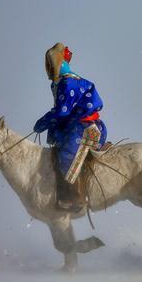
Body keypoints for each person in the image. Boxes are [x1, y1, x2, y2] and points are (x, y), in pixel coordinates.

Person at [33, 43, 107, 211]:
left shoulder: (68, 83)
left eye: (49, 62)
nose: (48, 67)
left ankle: (76, 198)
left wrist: (43, 123)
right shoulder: (59, 83)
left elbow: (61, 112)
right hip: (73, 124)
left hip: (85, 125)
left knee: (67, 154)